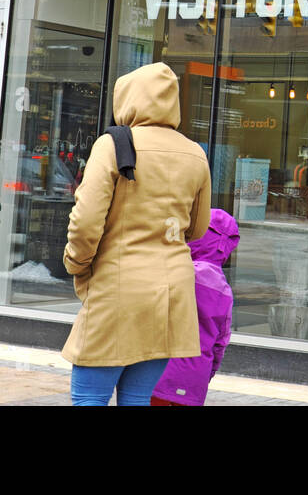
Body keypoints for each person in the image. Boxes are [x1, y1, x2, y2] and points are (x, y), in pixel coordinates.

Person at [62, 62, 212, 406]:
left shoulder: (113, 144)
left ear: (126, 98)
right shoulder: (195, 152)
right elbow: (199, 227)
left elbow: (86, 222)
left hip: (118, 288)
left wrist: (76, 263)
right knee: (137, 398)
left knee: (89, 396)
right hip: (171, 294)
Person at [151, 208, 239, 406]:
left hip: (160, 371)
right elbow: (221, 342)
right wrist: (210, 371)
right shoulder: (224, 291)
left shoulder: (178, 274)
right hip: (196, 378)